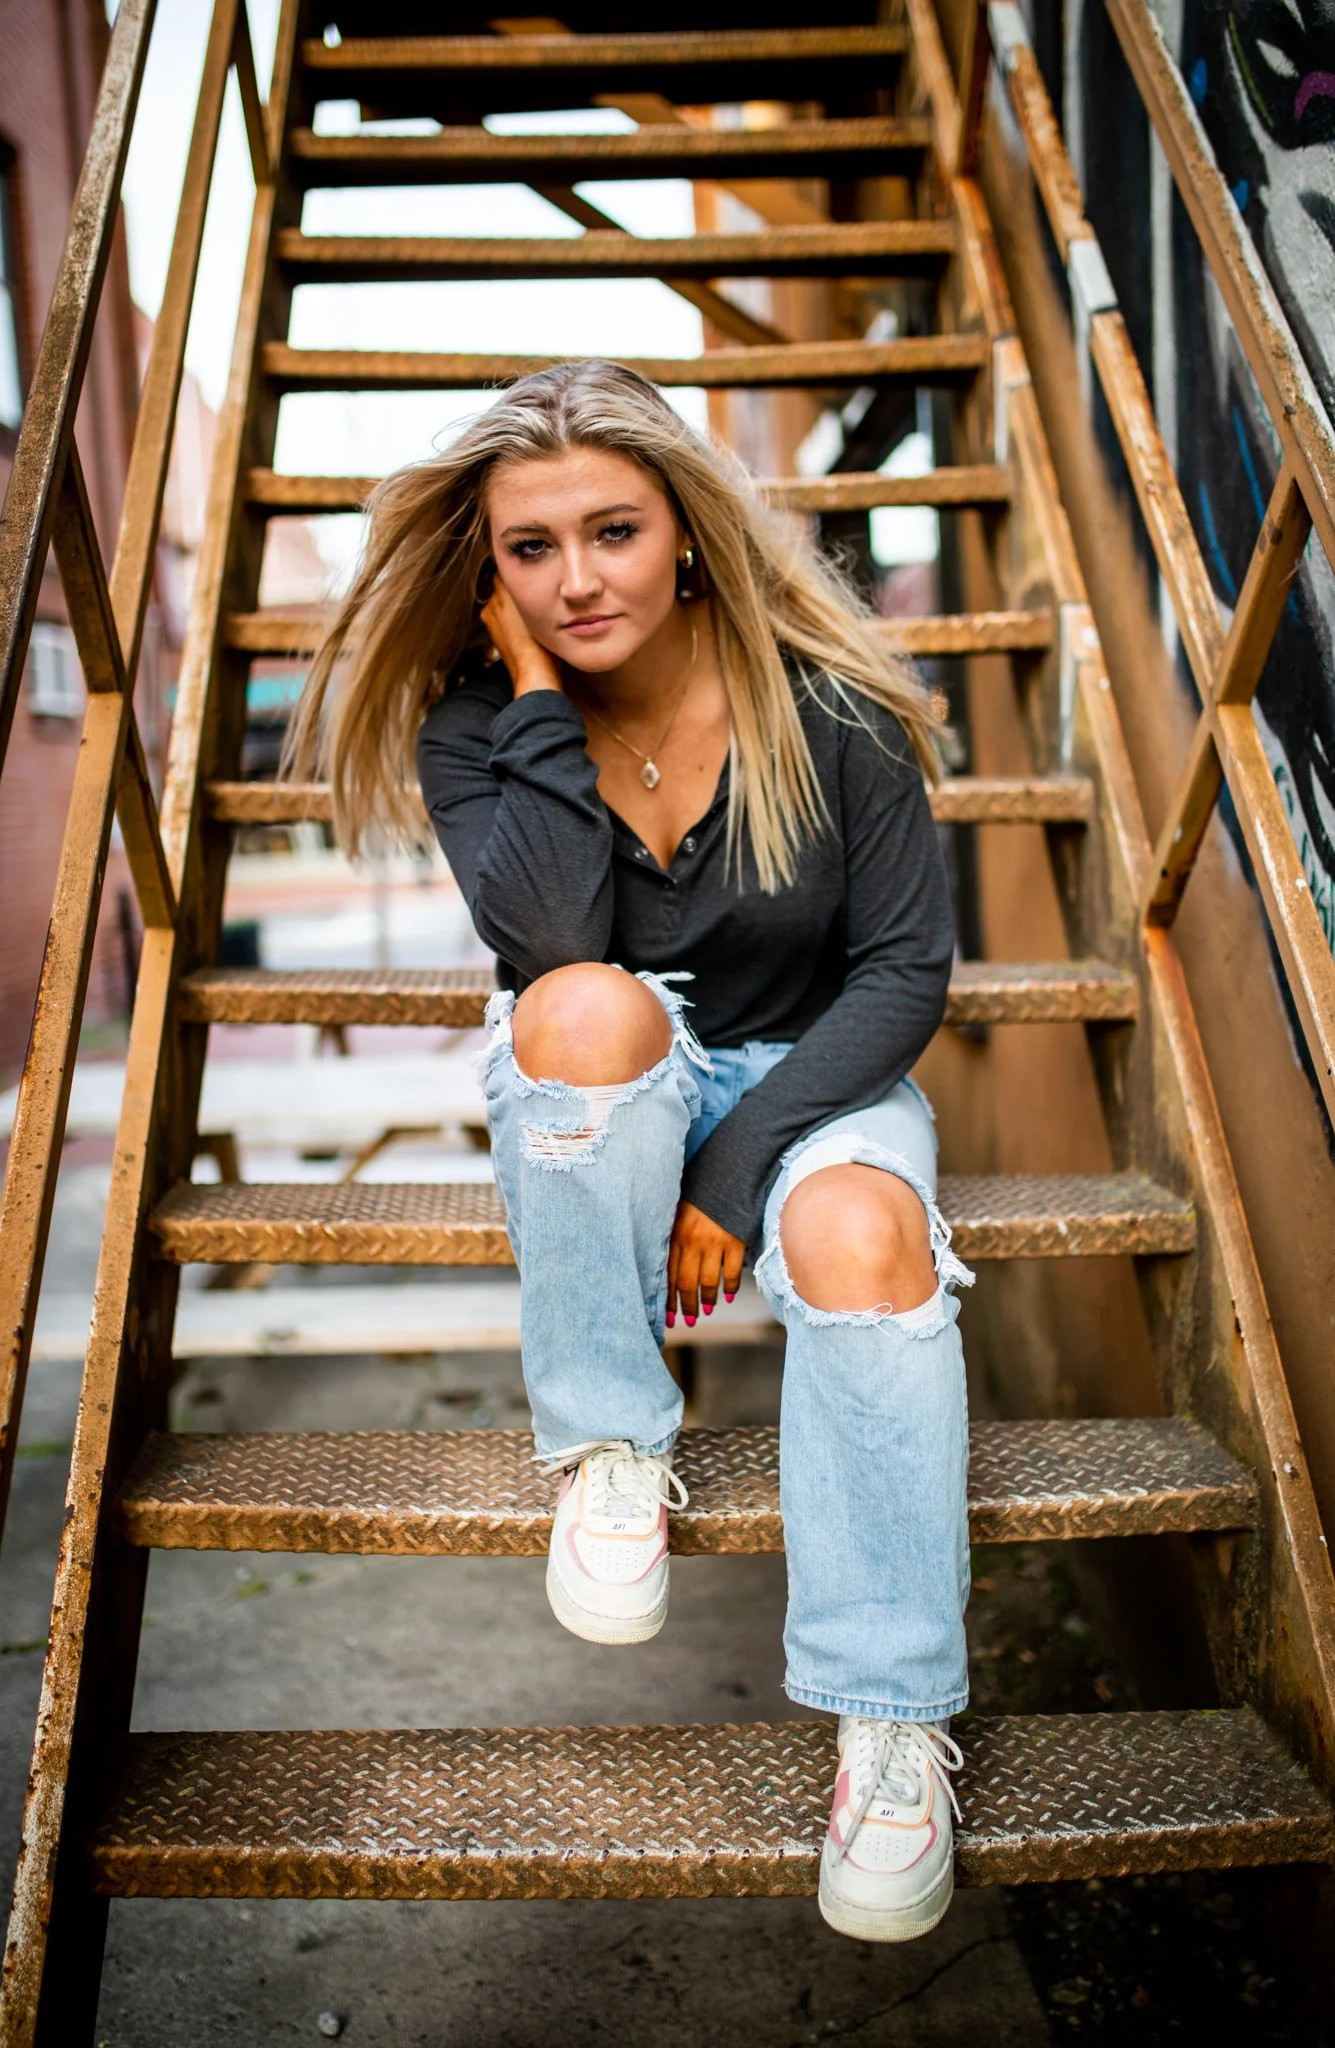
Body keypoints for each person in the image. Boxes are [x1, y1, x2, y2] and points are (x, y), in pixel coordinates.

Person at [287, 360, 972, 1944]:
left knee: (864, 1244)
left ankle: (889, 1725)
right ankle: (613, 1445)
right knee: (586, 1009)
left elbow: (904, 974)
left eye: (613, 530)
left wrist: (736, 1182)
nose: (579, 577)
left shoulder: (828, 700)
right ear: (490, 573)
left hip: (818, 1068)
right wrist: (530, 693)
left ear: (686, 533)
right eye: (533, 551)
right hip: (612, 1083)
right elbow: (550, 945)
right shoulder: (480, 729)